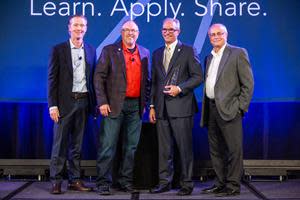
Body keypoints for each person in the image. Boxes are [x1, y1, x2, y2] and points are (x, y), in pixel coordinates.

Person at [93, 20, 151, 195]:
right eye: (127, 30)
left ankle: (124, 181)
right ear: (121, 32)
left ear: (138, 33)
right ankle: (103, 182)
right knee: (107, 145)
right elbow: (99, 77)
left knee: (131, 147)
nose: (130, 34)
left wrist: (145, 103)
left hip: (135, 107)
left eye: (133, 31)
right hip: (113, 105)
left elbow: (147, 82)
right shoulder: (109, 50)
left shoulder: (144, 52)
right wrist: (102, 101)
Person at [149, 18, 203, 196]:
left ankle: (186, 184)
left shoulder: (188, 50)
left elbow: (197, 77)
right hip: (161, 109)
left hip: (182, 107)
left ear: (178, 31)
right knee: (164, 150)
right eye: (165, 29)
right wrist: (152, 106)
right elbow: (155, 83)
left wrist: (179, 88)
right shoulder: (157, 53)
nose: (167, 32)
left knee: (184, 148)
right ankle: (165, 182)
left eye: (171, 30)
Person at [200, 23, 254, 197]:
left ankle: (232, 186)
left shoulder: (238, 53)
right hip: (211, 109)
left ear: (226, 34)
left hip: (230, 110)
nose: (215, 36)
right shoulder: (209, 57)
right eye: (212, 34)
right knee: (216, 150)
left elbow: (248, 84)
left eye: (219, 33)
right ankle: (220, 183)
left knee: (233, 150)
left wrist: (240, 107)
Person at [47, 15, 96, 194]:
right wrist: (53, 105)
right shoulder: (58, 50)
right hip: (64, 105)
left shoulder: (91, 50)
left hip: (83, 102)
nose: (79, 28)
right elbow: (52, 79)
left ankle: (75, 180)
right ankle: (56, 181)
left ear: (86, 28)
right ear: (69, 28)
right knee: (59, 145)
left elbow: (92, 80)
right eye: (76, 25)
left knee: (77, 145)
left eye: (82, 26)